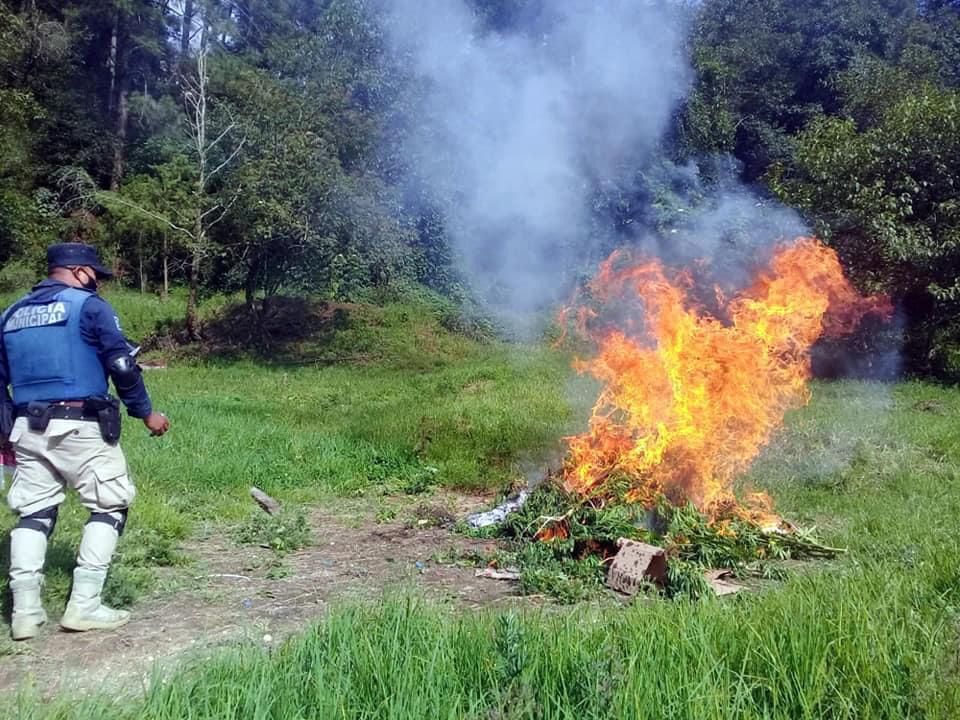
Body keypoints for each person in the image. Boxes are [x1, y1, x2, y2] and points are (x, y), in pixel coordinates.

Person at [0, 243, 170, 640]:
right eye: (94, 274)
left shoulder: (10, 315)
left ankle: (24, 612)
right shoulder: (89, 307)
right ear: (78, 271)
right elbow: (122, 364)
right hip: (80, 424)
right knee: (111, 506)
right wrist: (146, 413)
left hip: (27, 428)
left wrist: (5, 427)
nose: (97, 282)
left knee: (35, 514)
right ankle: (85, 605)